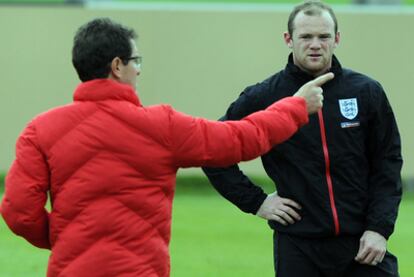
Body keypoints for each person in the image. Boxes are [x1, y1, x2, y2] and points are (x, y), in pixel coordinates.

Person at [0, 18, 333, 277]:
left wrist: (65, 238)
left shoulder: (40, 129)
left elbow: (18, 212)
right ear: (117, 66)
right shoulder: (161, 125)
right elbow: (238, 139)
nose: (139, 69)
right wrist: (294, 107)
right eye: (136, 60)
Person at [203, 1, 402, 277]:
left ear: (337, 39)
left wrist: (378, 229)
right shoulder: (264, 96)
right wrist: (257, 202)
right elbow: (214, 150)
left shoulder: (366, 91)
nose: (315, 44)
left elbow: (387, 164)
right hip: (299, 248)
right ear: (288, 39)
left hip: (363, 245)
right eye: (306, 37)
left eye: (324, 36)